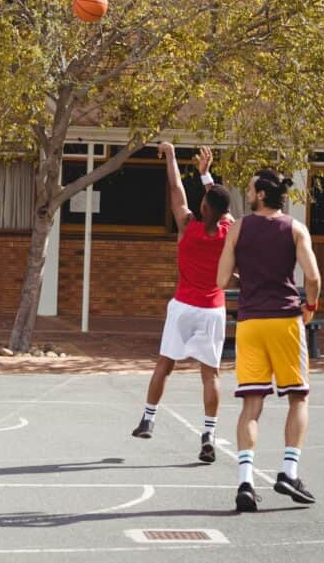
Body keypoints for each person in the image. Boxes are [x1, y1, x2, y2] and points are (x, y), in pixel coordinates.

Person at [216, 168, 322, 512]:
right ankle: (288, 472)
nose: (246, 193)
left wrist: (246, 272)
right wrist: (310, 307)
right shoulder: (295, 228)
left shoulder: (238, 228)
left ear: (261, 194)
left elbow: (221, 280)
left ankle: (245, 482)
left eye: (249, 188)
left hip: (250, 322)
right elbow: (313, 277)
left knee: (251, 405)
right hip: (285, 321)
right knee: (298, 397)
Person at [132, 144, 233, 464]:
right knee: (210, 375)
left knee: (165, 364)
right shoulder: (229, 230)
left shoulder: (187, 225)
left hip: (184, 306)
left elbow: (175, 188)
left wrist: (172, 155)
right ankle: (209, 435)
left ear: (202, 206)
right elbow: (222, 205)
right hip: (213, 309)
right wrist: (206, 176)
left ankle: (148, 419)